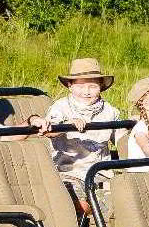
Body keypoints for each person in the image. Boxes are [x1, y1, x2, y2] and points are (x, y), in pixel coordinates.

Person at [32, 58, 127, 190]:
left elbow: (122, 140)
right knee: (80, 204)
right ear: (70, 86)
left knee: (121, 197)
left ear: (101, 87)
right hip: (68, 172)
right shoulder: (61, 107)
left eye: (92, 86)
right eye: (80, 86)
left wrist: (138, 129)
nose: (86, 92)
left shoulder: (110, 111)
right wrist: (68, 124)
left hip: (101, 172)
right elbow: (48, 131)